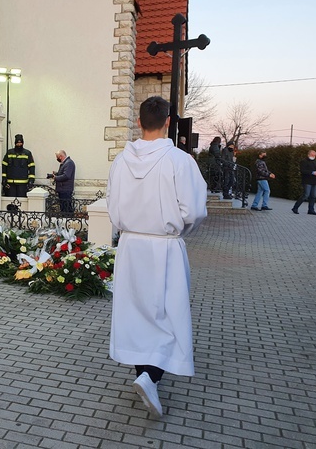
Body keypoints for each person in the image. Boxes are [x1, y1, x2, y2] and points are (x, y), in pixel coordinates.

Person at [106, 96, 207, 418]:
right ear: (167, 122)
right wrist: (177, 234)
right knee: (166, 310)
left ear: (139, 122)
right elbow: (194, 211)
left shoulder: (121, 161)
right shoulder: (180, 161)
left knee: (136, 311)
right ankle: (151, 376)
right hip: (164, 245)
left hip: (132, 245)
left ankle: (143, 374)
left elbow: (113, 207)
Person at [292, 149, 316, 215]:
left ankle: (311, 210)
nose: (313, 156)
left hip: (314, 181)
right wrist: (312, 173)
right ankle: (295, 207)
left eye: (314, 155)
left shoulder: (315, 161)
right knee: (305, 195)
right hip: (307, 181)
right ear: (308, 154)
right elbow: (303, 171)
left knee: (313, 196)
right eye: (312, 155)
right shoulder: (304, 161)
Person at [48, 150, 76, 214]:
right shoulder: (66, 163)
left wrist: (55, 178)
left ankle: (67, 220)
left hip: (65, 189)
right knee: (63, 207)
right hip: (63, 189)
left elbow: (66, 176)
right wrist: (56, 173)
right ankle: (66, 219)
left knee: (66, 208)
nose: (56, 159)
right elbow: (64, 173)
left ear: (60, 156)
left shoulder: (68, 163)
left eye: (57, 157)